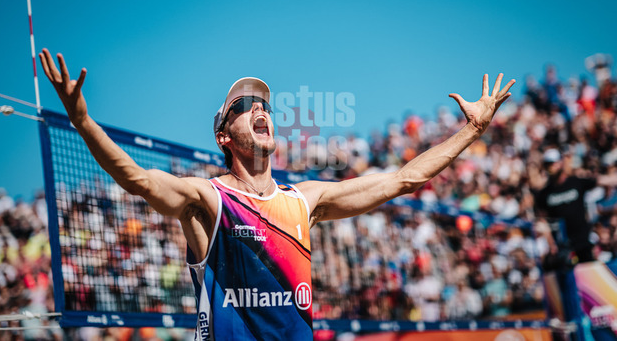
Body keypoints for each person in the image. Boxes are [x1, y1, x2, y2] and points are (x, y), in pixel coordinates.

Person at [39, 48, 514, 340]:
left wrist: (471, 131)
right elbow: (138, 180)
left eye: (264, 104)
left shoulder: (304, 200)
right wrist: (82, 121)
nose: (260, 109)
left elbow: (402, 181)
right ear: (224, 136)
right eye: (244, 106)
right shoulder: (209, 200)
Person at [530, 148, 617, 267]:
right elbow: (543, 220)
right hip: (563, 247)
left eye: (553, 163)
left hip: (583, 241)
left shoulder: (575, 182)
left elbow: (603, 180)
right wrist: (551, 243)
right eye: (548, 164)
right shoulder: (544, 194)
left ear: (560, 163)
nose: (551, 167)